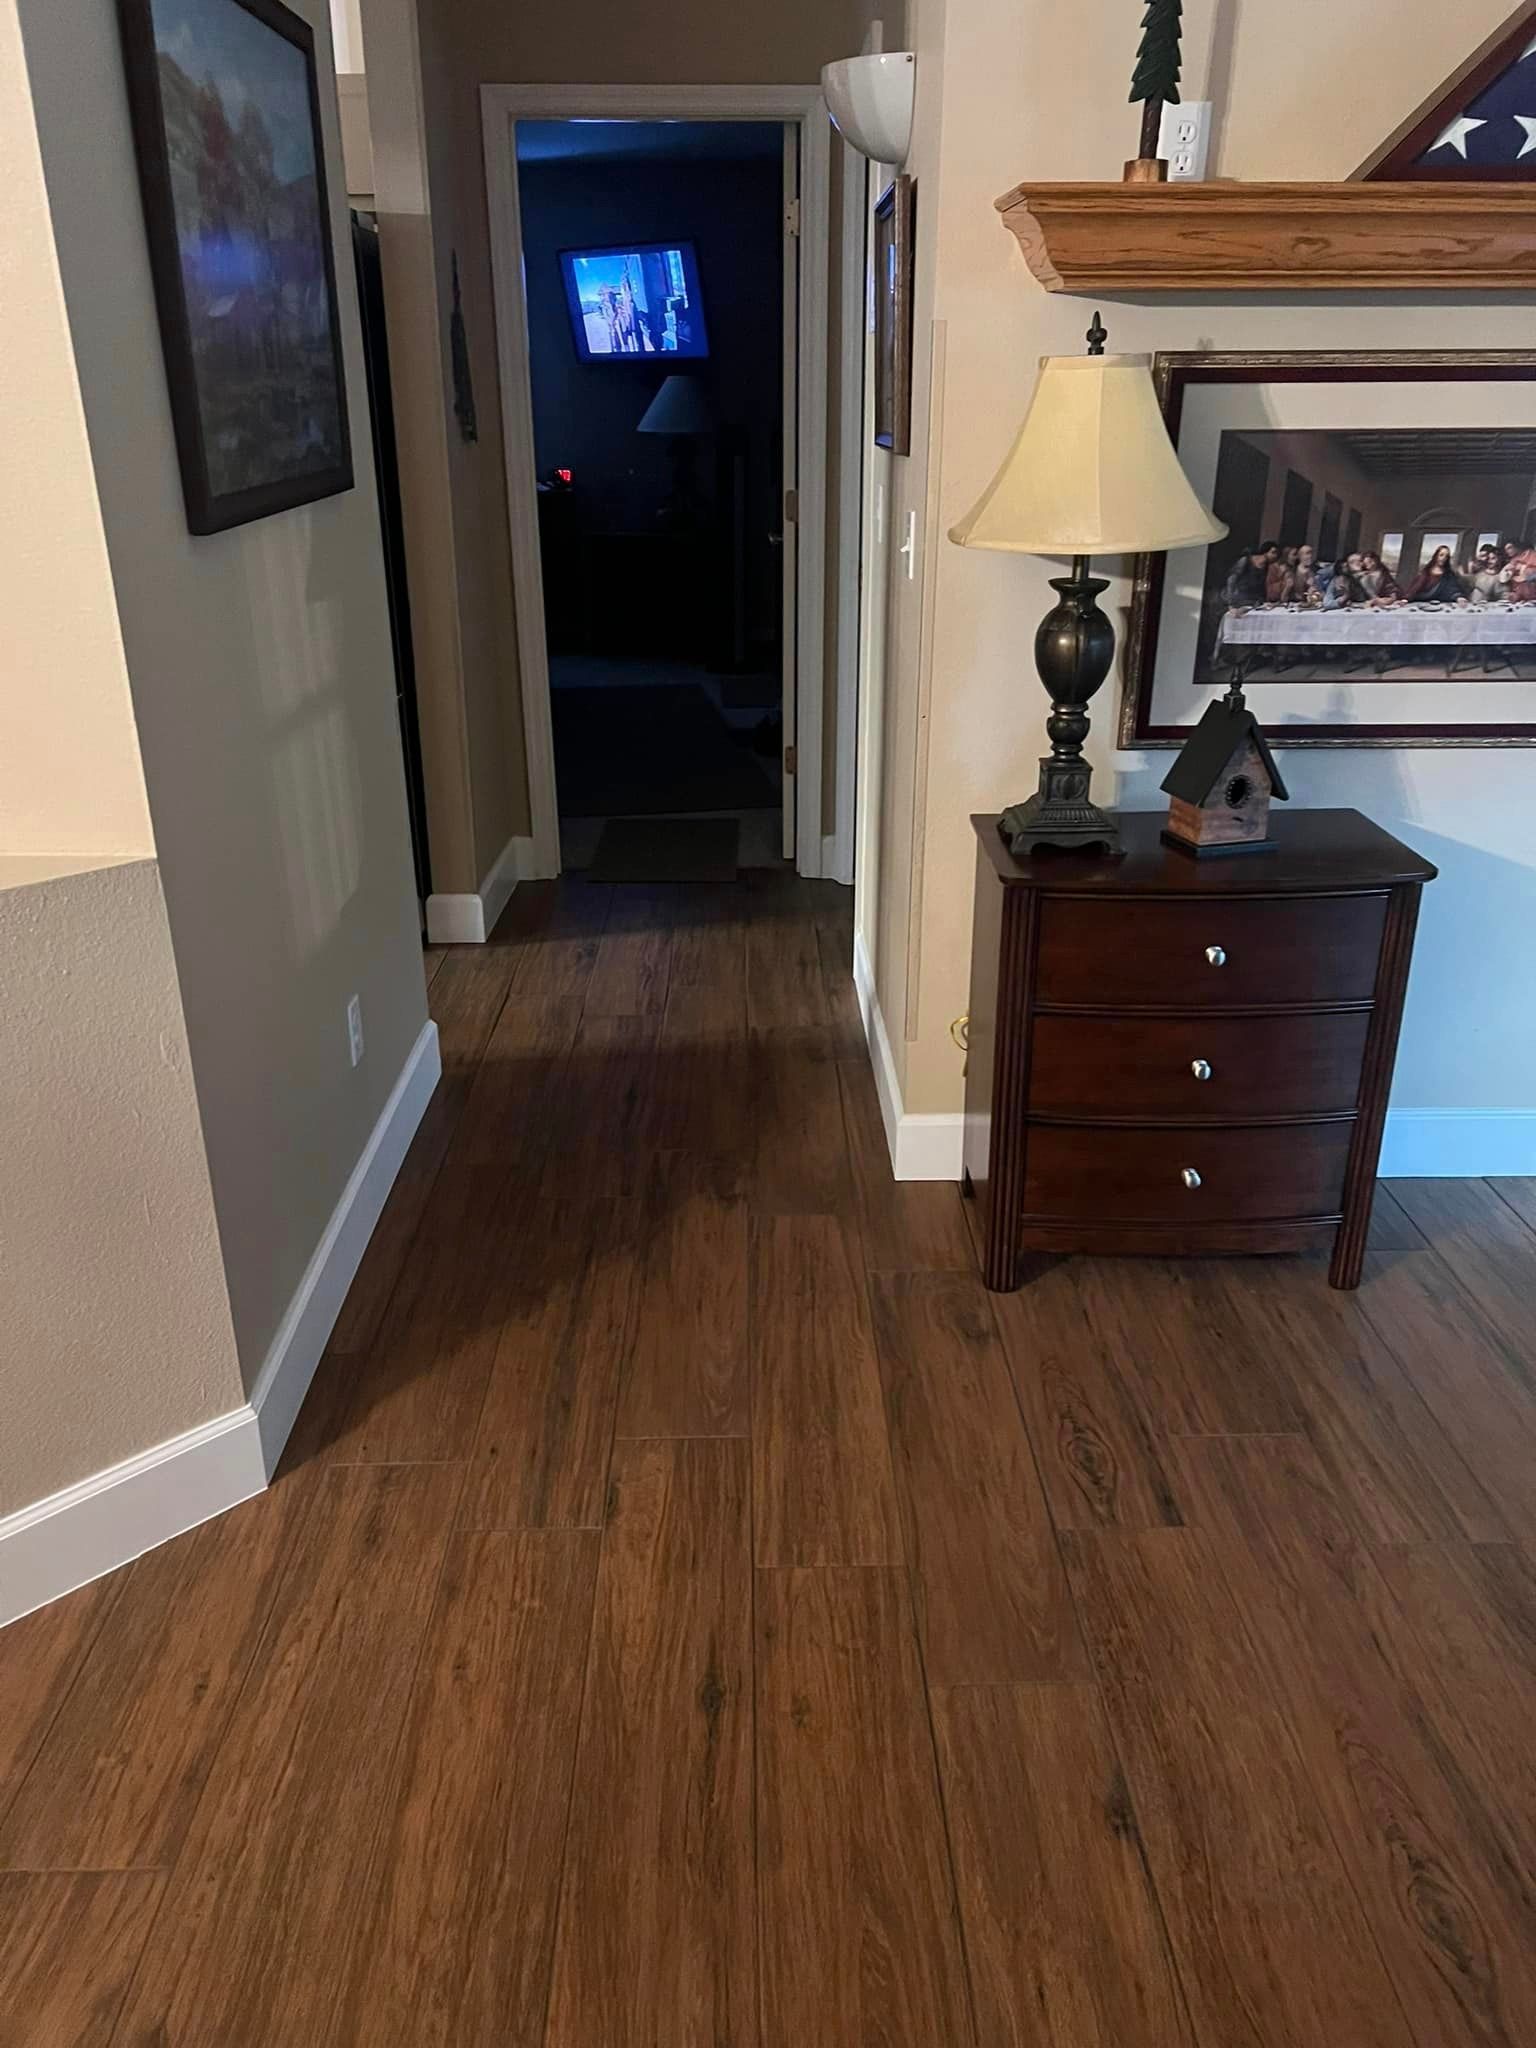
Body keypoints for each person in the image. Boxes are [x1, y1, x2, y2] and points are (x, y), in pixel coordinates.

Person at [1222, 541, 1277, 611]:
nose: (1275, 556)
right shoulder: (1246, 560)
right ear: (1265, 552)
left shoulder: (1267, 567)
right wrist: (1230, 603)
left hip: (1253, 602)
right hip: (1238, 600)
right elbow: (1231, 580)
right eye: (1273, 552)